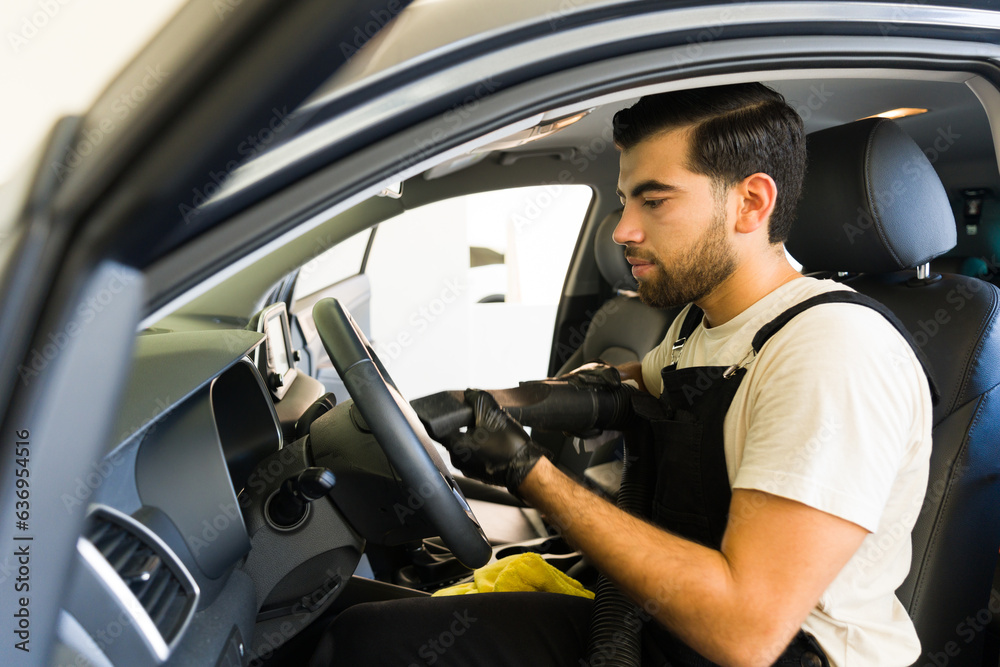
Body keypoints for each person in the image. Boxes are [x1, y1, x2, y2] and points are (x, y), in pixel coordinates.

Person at [320, 83, 932, 667]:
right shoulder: (705, 323)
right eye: (624, 201)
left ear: (751, 202)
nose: (624, 231)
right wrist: (503, 403)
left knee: (368, 648)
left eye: (655, 201)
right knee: (341, 617)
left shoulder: (832, 351)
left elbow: (747, 632)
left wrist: (525, 471)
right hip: (666, 627)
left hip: (767, 651)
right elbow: (648, 388)